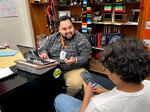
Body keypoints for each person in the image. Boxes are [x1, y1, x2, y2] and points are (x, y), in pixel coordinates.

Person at [54, 38, 150, 112]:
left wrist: (87, 95)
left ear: (117, 74)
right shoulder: (147, 84)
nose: (104, 69)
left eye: (106, 67)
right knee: (96, 90)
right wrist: (105, 91)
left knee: (60, 98)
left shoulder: (98, 105)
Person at [39, 15, 91, 96]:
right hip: (52, 67)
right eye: (64, 29)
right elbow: (43, 48)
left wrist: (75, 60)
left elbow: (85, 58)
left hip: (72, 69)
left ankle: (66, 99)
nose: (68, 31)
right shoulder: (53, 37)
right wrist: (44, 52)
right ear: (59, 30)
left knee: (75, 84)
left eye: (70, 27)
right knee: (37, 80)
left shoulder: (81, 39)